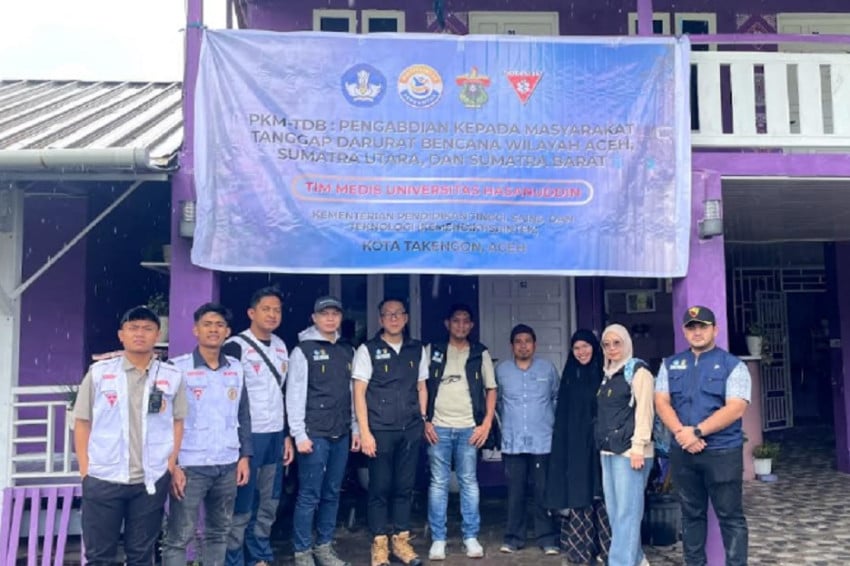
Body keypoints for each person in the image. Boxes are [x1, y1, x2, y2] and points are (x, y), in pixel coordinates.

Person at [73, 305, 187, 566]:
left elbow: (178, 422)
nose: (140, 334)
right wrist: (85, 470)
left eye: (147, 329)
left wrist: (169, 465)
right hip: (103, 477)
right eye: (133, 328)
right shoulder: (100, 373)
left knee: (141, 555)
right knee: (100, 556)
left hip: (149, 480)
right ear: (121, 335)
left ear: (157, 334)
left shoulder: (171, 376)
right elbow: (81, 422)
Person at [655, 306, 750, 566]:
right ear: (685, 332)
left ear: (715, 329)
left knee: (730, 516)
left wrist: (697, 432)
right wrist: (681, 433)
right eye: (691, 327)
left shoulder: (733, 365)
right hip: (684, 452)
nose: (697, 332)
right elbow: (661, 401)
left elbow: (736, 407)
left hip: (722, 452)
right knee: (691, 514)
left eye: (703, 326)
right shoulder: (670, 364)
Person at [162, 303, 253, 566]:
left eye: (219, 325)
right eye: (207, 324)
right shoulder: (176, 369)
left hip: (227, 463)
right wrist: (173, 464)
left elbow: (243, 414)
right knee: (179, 536)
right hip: (190, 466)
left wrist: (244, 456)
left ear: (228, 332)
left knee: (219, 533)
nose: (214, 330)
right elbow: (165, 420)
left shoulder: (235, 368)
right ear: (195, 330)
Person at [352, 298, 429, 566]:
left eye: (398, 314)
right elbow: (359, 392)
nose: (394, 319)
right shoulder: (368, 349)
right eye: (388, 314)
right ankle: (379, 545)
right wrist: (364, 431)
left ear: (406, 318)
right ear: (380, 319)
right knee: (380, 488)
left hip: (409, 429)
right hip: (380, 430)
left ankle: (401, 542)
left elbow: (421, 386)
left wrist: (421, 419)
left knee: (404, 487)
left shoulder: (417, 349)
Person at [222, 287, 294, 566]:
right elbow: (230, 398)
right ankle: (234, 558)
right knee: (242, 503)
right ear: (251, 313)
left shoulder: (280, 345)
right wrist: (240, 445)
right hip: (248, 436)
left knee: (269, 500)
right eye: (266, 309)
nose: (273, 314)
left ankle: (260, 555)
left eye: (277, 309)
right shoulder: (236, 346)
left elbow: (282, 392)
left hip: (275, 434)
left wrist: (287, 434)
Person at [286, 296, 361, 566]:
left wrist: (355, 429)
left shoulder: (347, 350)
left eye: (335, 314)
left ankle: (324, 546)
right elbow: (294, 395)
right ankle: (302, 551)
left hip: (340, 433)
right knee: (309, 494)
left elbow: (352, 394)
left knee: (332, 493)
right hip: (313, 434)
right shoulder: (302, 351)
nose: (330, 318)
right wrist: (299, 434)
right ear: (314, 318)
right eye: (324, 314)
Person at [424, 304, 497, 561]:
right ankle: (438, 539)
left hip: (469, 427)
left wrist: (486, 423)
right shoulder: (432, 350)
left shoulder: (480, 353)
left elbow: (491, 389)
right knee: (438, 483)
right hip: (438, 427)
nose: (461, 325)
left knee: (468, 482)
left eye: (466, 321)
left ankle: (470, 536)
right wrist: (425, 421)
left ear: (472, 325)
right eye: (456, 321)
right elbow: (420, 386)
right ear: (447, 324)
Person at [545, 329, 611, 566]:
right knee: (579, 493)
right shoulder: (570, 375)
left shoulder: (605, 373)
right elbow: (562, 414)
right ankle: (580, 551)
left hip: (601, 445)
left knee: (602, 493)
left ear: (595, 347)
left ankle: (607, 550)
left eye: (586, 346)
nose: (582, 352)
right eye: (576, 348)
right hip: (575, 446)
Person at [495, 324, 560, 555]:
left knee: (543, 491)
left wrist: (548, 423)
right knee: (515, 493)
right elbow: (496, 402)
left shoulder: (547, 369)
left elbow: (556, 398)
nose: (523, 346)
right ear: (512, 346)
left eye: (527, 341)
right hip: (513, 442)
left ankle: (547, 538)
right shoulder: (502, 370)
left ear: (535, 344)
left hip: (542, 440)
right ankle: (513, 538)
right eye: (518, 341)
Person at [595, 324, 654, 566]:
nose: (611, 349)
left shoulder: (638, 372)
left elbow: (645, 412)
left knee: (627, 513)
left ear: (627, 343)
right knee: (615, 513)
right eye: (607, 344)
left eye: (616, 343)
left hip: (631, 452)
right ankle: (637, 559)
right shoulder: (607, 374)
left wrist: (638, 446)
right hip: (609, 451)